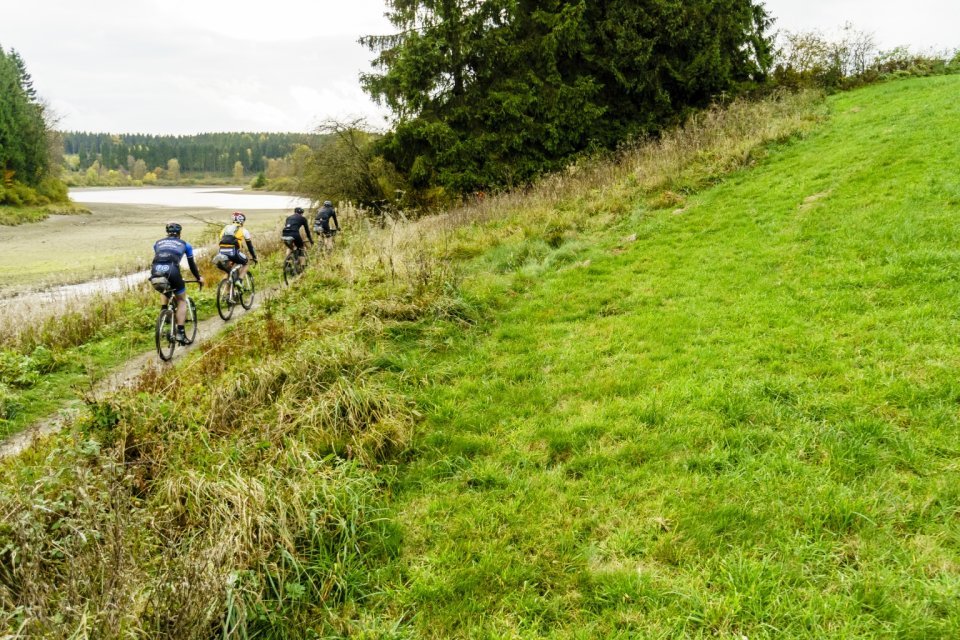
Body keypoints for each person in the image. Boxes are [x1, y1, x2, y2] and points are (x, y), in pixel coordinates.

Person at [151, 222, 204, 344]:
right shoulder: (186, 244)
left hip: (155, 271)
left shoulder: (157, 243)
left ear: (167, 232)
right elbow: (191, 264)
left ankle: (164, 311)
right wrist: (198, 277)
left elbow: (161, 257)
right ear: (180, 233)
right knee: (181, 300)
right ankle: (180, 332)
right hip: (173, 271)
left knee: (165, 288)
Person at [216, 211, 258, 284]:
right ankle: (239, 281)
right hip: (234, 252)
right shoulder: (244, 230)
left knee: (229, 271)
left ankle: (227, 293)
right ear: (242, 221)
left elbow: (222, 240)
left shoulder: (225, 229)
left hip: (222, 252)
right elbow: (250, 246)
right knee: (246, 263)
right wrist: (254, 257)